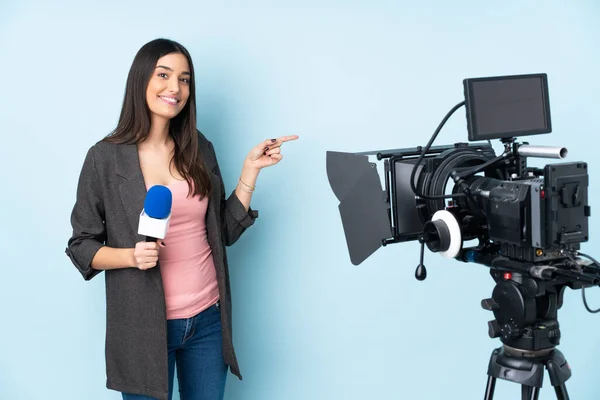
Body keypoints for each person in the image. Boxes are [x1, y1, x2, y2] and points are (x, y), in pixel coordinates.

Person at [65, 38, 298, 400]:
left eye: (185, 79)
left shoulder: (198, 147)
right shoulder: (104, 159)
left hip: (207, 319)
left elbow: (222, 231)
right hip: (143, 328)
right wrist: (130, 256)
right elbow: (81, 245)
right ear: (141, 80)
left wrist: (250, 172)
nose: (175, 87)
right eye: (164, 75)